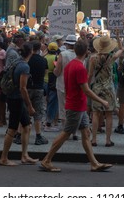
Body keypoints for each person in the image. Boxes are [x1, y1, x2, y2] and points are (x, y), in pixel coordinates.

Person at [41, 40, 112, 172]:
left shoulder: (72, 65)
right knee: (66, 133)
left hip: (77, 104)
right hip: (76, 105)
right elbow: (86, 89)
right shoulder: (79, 67)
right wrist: (102, 101)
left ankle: (94, 163)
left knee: (85, 133)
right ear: (86, 51)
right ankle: (47, 159)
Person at [0, 42, 38, 166]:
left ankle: (24, 155)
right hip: (16, 100)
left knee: (27, 126)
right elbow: (23, 88)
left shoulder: (16, 61)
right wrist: (30, 106)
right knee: (12, 129)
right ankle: (4, 158)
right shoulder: (24, 67)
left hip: (13, 98)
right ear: (31, 52)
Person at [88, 34, 123, 147]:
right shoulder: (112, 57)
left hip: (97, 87)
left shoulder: (93, 58)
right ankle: (108, 140)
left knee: (95, 114)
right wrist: (118, 37)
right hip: (109, 87)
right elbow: (121, 50)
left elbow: (90, 75)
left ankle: (94, 139)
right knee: (108, 114)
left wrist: (87, 87)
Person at [27, 40, 49, 145]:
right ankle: (38, 135)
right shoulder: (43, 60)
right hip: (39, 88)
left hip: (27, 88)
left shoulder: (27, 60)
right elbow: (45, 73)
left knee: (25, 111)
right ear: (39, 48)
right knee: (38, 113)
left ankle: (18, 134)